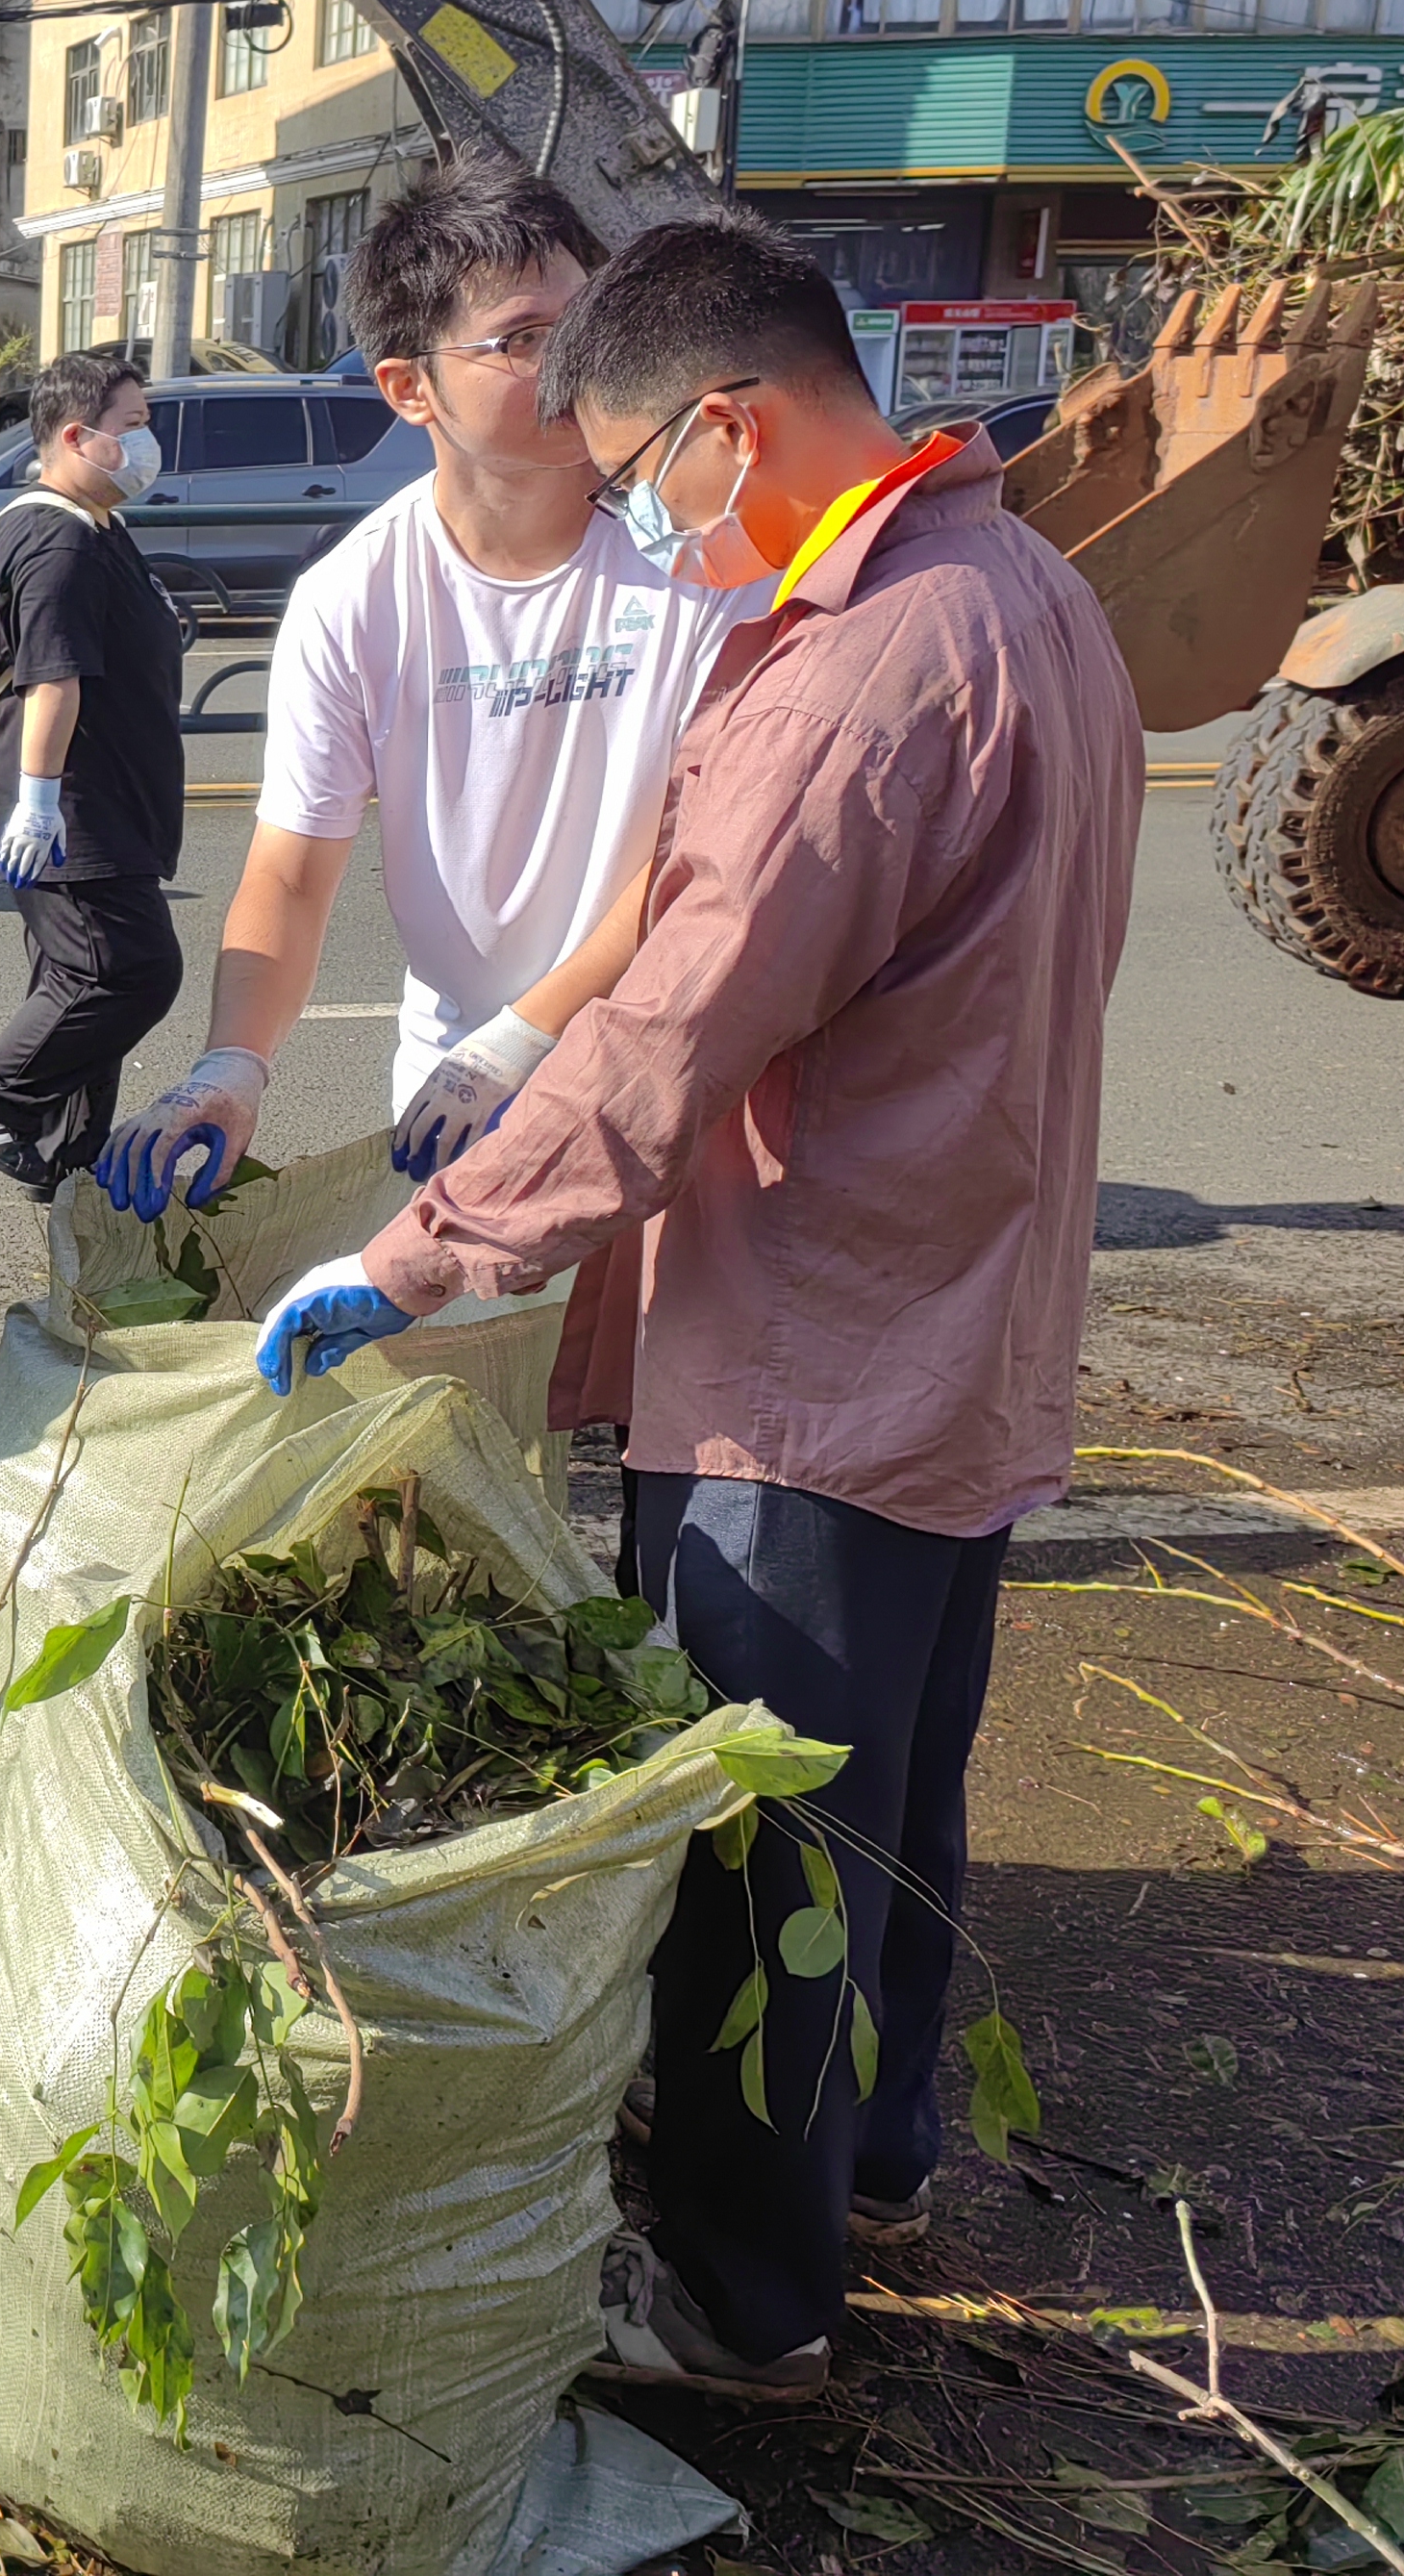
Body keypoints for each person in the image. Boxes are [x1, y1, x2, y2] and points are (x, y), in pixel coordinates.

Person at [250, 215, 1144, 2397]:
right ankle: (877, 2157)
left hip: (806, 1364)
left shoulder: (849, 681)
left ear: (730, 419)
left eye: (645, 463)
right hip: (963, 1320)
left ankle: (746, 2301)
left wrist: (408, 1254)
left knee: (756, 1842)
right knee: (896, 1793)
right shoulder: (1022, 592)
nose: (642, 515)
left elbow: (663, 1051)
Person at [96, 161, 770, 1221]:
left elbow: (709, 859)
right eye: (520, 339)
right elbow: (291, 871)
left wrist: (529, 1034)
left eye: (584, 322)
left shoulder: (703, 557)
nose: (571, 363)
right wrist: (232, 1065)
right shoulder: (355, 596)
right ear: (409, 387)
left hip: (673, 1068)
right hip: (457, 1093)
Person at [0, 347, 188, 1198]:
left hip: (105, 801)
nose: (150, 441)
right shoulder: (55, 537)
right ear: (77, 436)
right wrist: (40, 805)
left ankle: (71, 1173)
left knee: (77, 986)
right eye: (135, 425)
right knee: (126, 970)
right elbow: (53, 677)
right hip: (68, 809)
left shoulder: (94, 526)